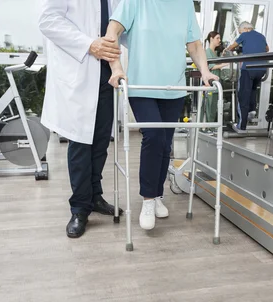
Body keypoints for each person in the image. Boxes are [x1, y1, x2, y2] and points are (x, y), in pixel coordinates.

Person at [105, 0, 219, 231]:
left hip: (174, 88)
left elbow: (195, 44)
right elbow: (111, 33)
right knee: (154, 136)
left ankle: (157, 196)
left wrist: (205, 72)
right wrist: (117, 68)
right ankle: (147, 200)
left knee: (166, 144)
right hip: (142, 87)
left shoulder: (185, 5)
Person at [38, 0, 124, 239]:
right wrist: (89, 44)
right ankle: (79, 209)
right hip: (80, 69)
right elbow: (48, 21)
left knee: (100, 144)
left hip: (107, 75)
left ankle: (95, 197)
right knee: (80, 144)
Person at [225, 21, 269, 130]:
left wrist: (226, 50)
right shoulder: (261, 36)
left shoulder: (244, 35)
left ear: (245, 29)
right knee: (253, 90)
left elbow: (232, 47)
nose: (240, 33)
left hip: (249, 69)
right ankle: (252, 111)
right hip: (262, 69)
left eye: (240, 32)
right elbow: (267, 49)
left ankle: (242, 125)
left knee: (243, 95)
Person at [204, 31, 228, 124]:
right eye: (217, 38)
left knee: (214, 105)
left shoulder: (215, 52)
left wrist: (222, 57)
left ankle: (211, 125)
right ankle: (208, 126)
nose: (219, 40)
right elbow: (211, 66)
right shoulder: (207, 52)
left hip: (217, 81)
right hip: (211, 81)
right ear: (211, 39)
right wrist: (224, 64)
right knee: (209, 105)